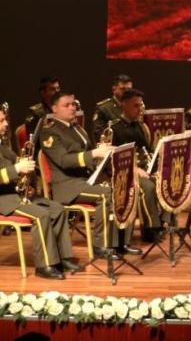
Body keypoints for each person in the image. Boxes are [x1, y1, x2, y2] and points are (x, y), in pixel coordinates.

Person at [0, 106, 82, 279]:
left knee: (57, 209)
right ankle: (45, 265)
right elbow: (11, 170)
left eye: (5, 119)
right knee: (41, 215)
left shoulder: (3, 145)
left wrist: (24, 178)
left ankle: (63, 258)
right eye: (1, 121)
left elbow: (15, 165)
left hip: (13, 194)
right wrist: (17, 169)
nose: (6, 124)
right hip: (3, 199)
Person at [39, 91, 119, 258]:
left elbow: (88, 155)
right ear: (54, 109)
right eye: (66, 105)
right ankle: (101, 245)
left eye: (73, 104)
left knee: (121, 188)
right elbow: (63, 161)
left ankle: (120, 243)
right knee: (107, 194)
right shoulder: (49, 132)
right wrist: (95, 153)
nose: (72, 108)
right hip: (67, 186)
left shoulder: (78, 129)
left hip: (85, 180)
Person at [110, 88, 165, 244]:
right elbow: (111, 159)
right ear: (124, 105)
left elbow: (148, 150)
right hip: (124, 173)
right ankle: (150, 229)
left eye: (141, 105)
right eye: (136, 106)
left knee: (165, 180)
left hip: (144, 169)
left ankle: (164, 223)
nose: (140, 109)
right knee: (147, 187)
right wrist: (134, 169)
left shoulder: (141, 126)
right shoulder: (114, 129)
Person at [92, 74, 132, 143]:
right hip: (114, 146)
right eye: (123, 89)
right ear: (114, 89)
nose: (126, 92)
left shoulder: (134, 106)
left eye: (129, 89)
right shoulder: (103, 108)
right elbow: (98, 134)